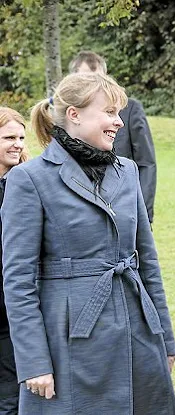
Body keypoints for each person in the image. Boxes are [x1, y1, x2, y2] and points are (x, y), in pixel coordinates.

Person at [1, 72, 175, 414]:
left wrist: (164, 338)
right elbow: (17, 281)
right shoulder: (29, 179)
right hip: (68, 338)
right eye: (109, 112)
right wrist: (34, 360)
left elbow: (148, 261)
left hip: (136, 329)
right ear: (75, 114)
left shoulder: (127, 171)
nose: (118, 122)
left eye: (118, 113)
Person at [69, 50, 157, 224]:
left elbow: (146, 164)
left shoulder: (130, 110)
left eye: (98, 79)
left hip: (123, 209)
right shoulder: (67, 118)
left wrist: (142, 216)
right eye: (86, 80)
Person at [0, 107, 29, 415]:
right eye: (9, 137)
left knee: (13, 394)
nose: (18, 144)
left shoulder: (28, 183)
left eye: (21, 137)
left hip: (14, 308)